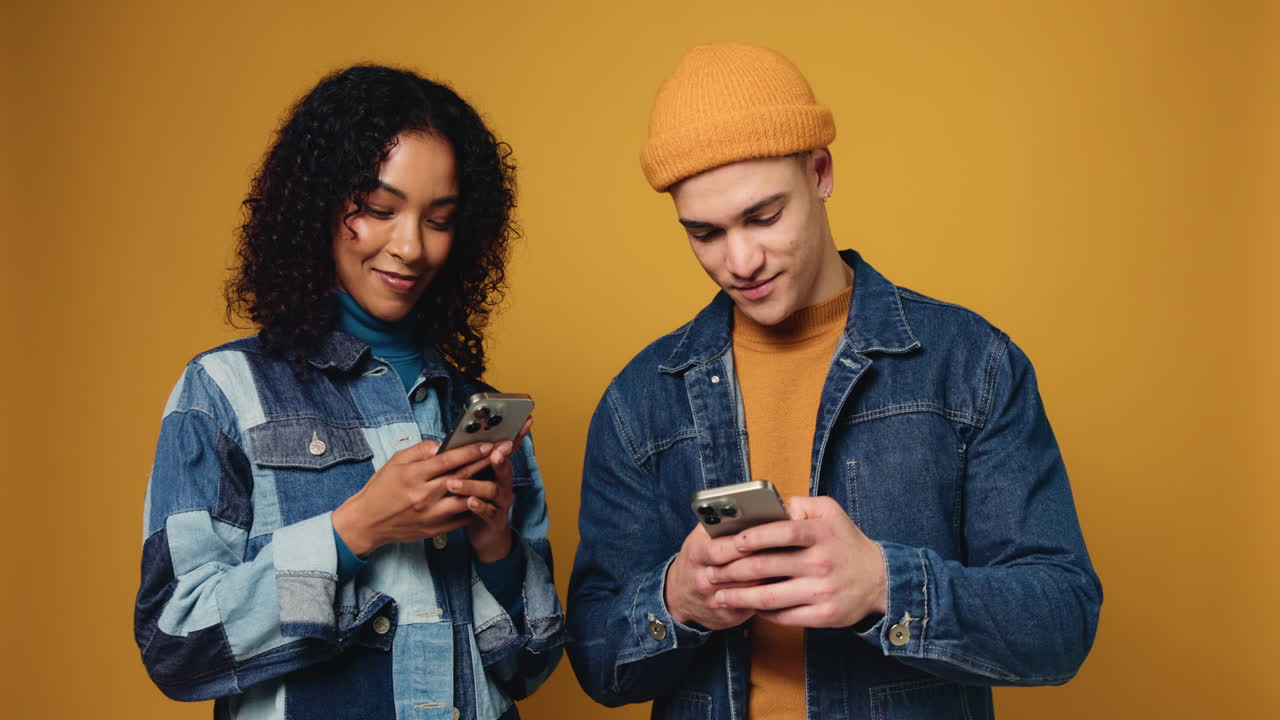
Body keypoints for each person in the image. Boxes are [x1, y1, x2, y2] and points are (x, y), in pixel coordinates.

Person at [566, 43, 1101, 719]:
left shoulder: (970, 364)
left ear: (820, 171)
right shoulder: (638, 402)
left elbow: (1062, 623)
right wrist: (676, 600)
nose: (740, 259)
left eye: (764, 216)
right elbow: (592, 658)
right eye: (704, 233)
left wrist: (885, 584)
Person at [135, 65, 564, 719]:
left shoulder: (476, 415)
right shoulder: (226, 393)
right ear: (317, 203)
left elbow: (527, 665)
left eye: (439, 219)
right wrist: (356, 530)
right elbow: (179, 640)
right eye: (380, 210)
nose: (411, 246)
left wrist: (495, 544)